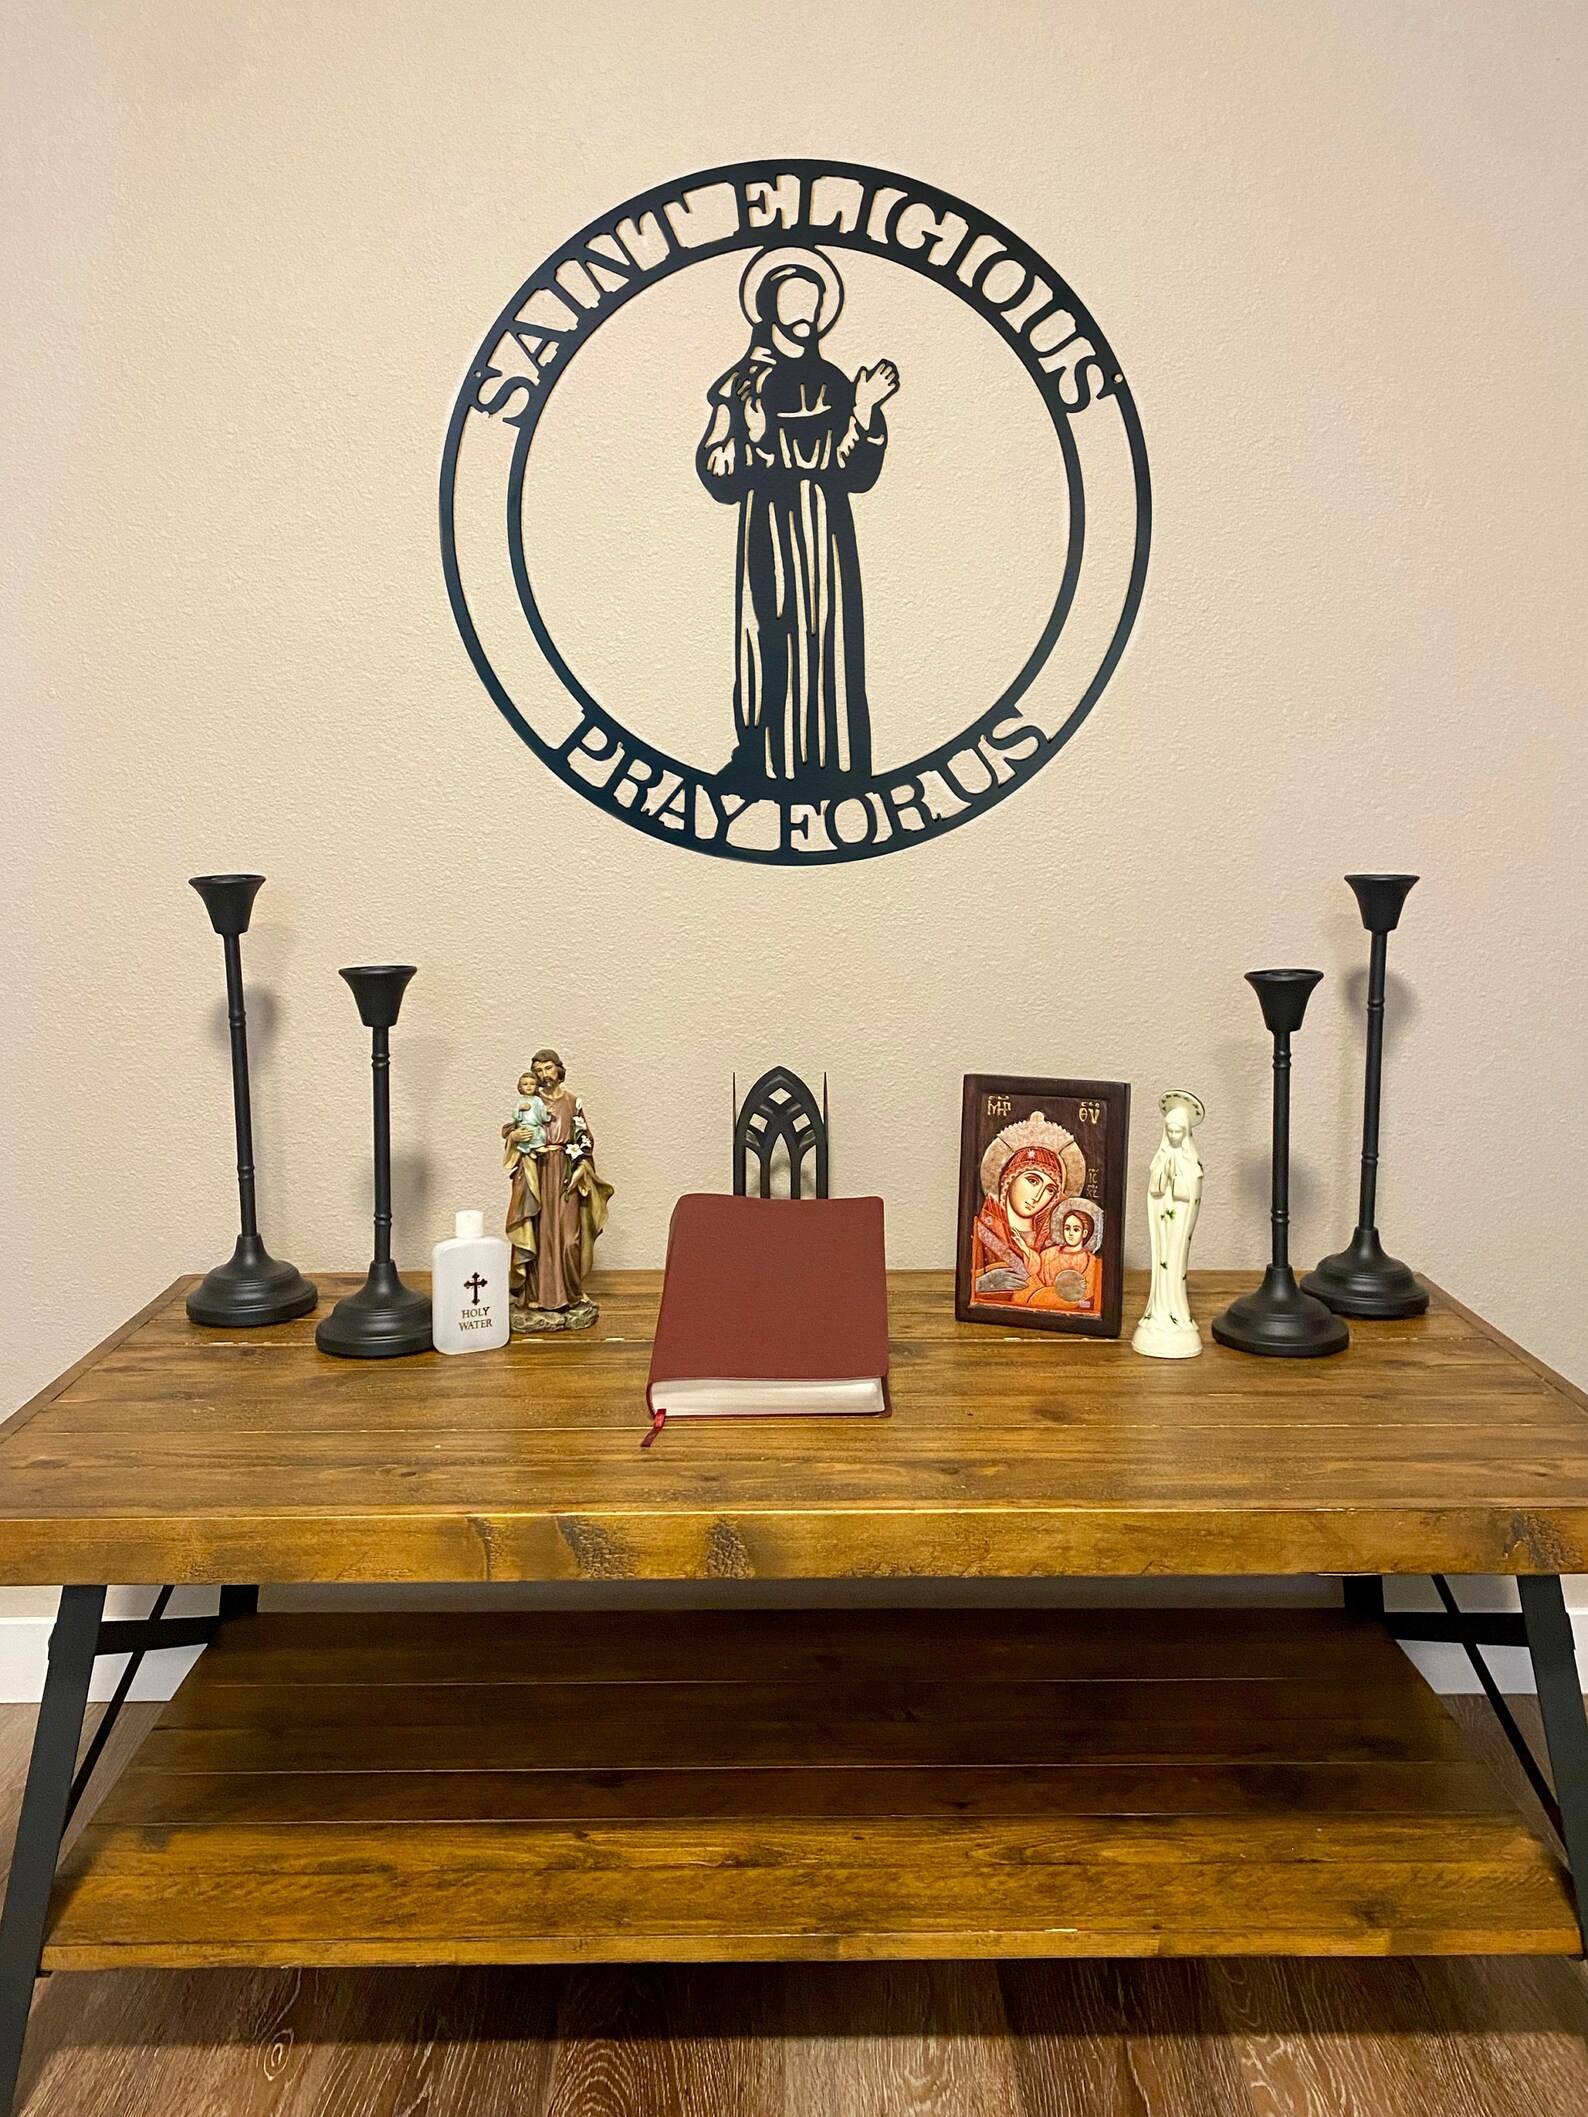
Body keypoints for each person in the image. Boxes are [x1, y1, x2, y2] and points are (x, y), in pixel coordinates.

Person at [697, 245, 899, 788]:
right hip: (770, 527)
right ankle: (762, 759)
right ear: (769, 309)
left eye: (813, 308)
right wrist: (753, 442)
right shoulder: (739, 385)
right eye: (794, 307)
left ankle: (831, 766)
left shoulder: (835, 382)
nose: (805, 320)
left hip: (826, 531)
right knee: (770, 634)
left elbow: (855, 473)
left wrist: (864, 409)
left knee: (827, 636)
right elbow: (717, 470)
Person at [502, 1049, 613, 1322]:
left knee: (569, 1238)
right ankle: (535, 1296)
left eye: (548, 1068)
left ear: (558, 1069)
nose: (544, 1075)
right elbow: (511, 1129)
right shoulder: (530, 1101)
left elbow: (585, 1139)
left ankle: (571, 1294)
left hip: (565, 1172)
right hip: (537, 1172)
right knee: (539, 1233)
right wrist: (514, 1136)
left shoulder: (572, 1102)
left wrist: (582, 1167)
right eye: (538, 1070)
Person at [971, 1144, 1067, 1299]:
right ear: (1009, 1178)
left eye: (1050, 1190)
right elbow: (964, 1285)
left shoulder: (1054, 1241)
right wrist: (981, 1283)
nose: (1038, 1196)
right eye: (1033, 1181)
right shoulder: (982, 1230)